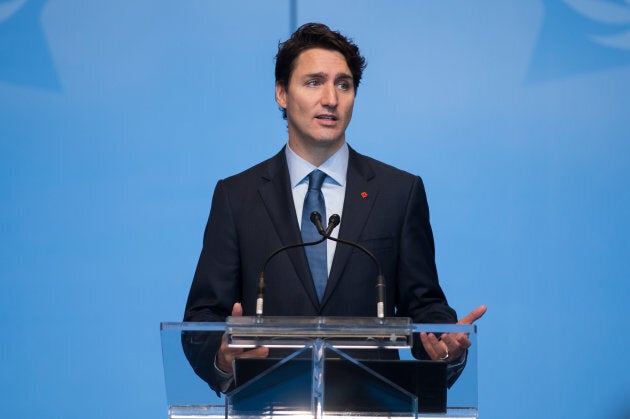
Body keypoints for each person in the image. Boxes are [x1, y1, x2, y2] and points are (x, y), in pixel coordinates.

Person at [183, 22, 486, 394]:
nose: (331, 98)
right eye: (314, 82)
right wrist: (222, 356)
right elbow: (202, 319)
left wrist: (445, 345)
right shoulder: (237, 196)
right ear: (282, 93)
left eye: (343, 84)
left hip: (372, 408)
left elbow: (424, 305)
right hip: (266, 405)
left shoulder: (398, 192)